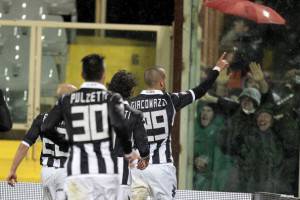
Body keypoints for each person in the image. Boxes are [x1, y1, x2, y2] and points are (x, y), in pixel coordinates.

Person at [129, 53, 229, 199]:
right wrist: (217, 68)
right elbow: (200, 90)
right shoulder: (171, 99)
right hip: (162, 168)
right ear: (162, 82)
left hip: (137, 168)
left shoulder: (131, 104)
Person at [41, 54, 134, 200]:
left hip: (77, 172)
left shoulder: (67, 99)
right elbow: (121, 128)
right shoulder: (111, 99)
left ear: (82, 74)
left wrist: (67, 145)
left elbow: (46, 127)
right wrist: (129, 152)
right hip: (105, 173)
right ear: (103, 75)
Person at [6, 83, 77, 200]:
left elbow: (24, 145)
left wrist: (12, 170)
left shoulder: (43, 118)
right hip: (69, 172)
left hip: (47, 173)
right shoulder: (79, 119)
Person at [108, 70, 150, 200]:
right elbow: (142, 143)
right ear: (131, 91)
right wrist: (145, 157)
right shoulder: (134, 114)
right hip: (121, 169)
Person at [193, 102, 233, 191]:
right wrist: (194, 159)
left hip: (215, 179)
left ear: (214, 114)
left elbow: (224, 160)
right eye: (203, 110)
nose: (205, 113)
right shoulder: (192, 128)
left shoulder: (221, 132)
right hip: (195, 178)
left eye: (208, 110)